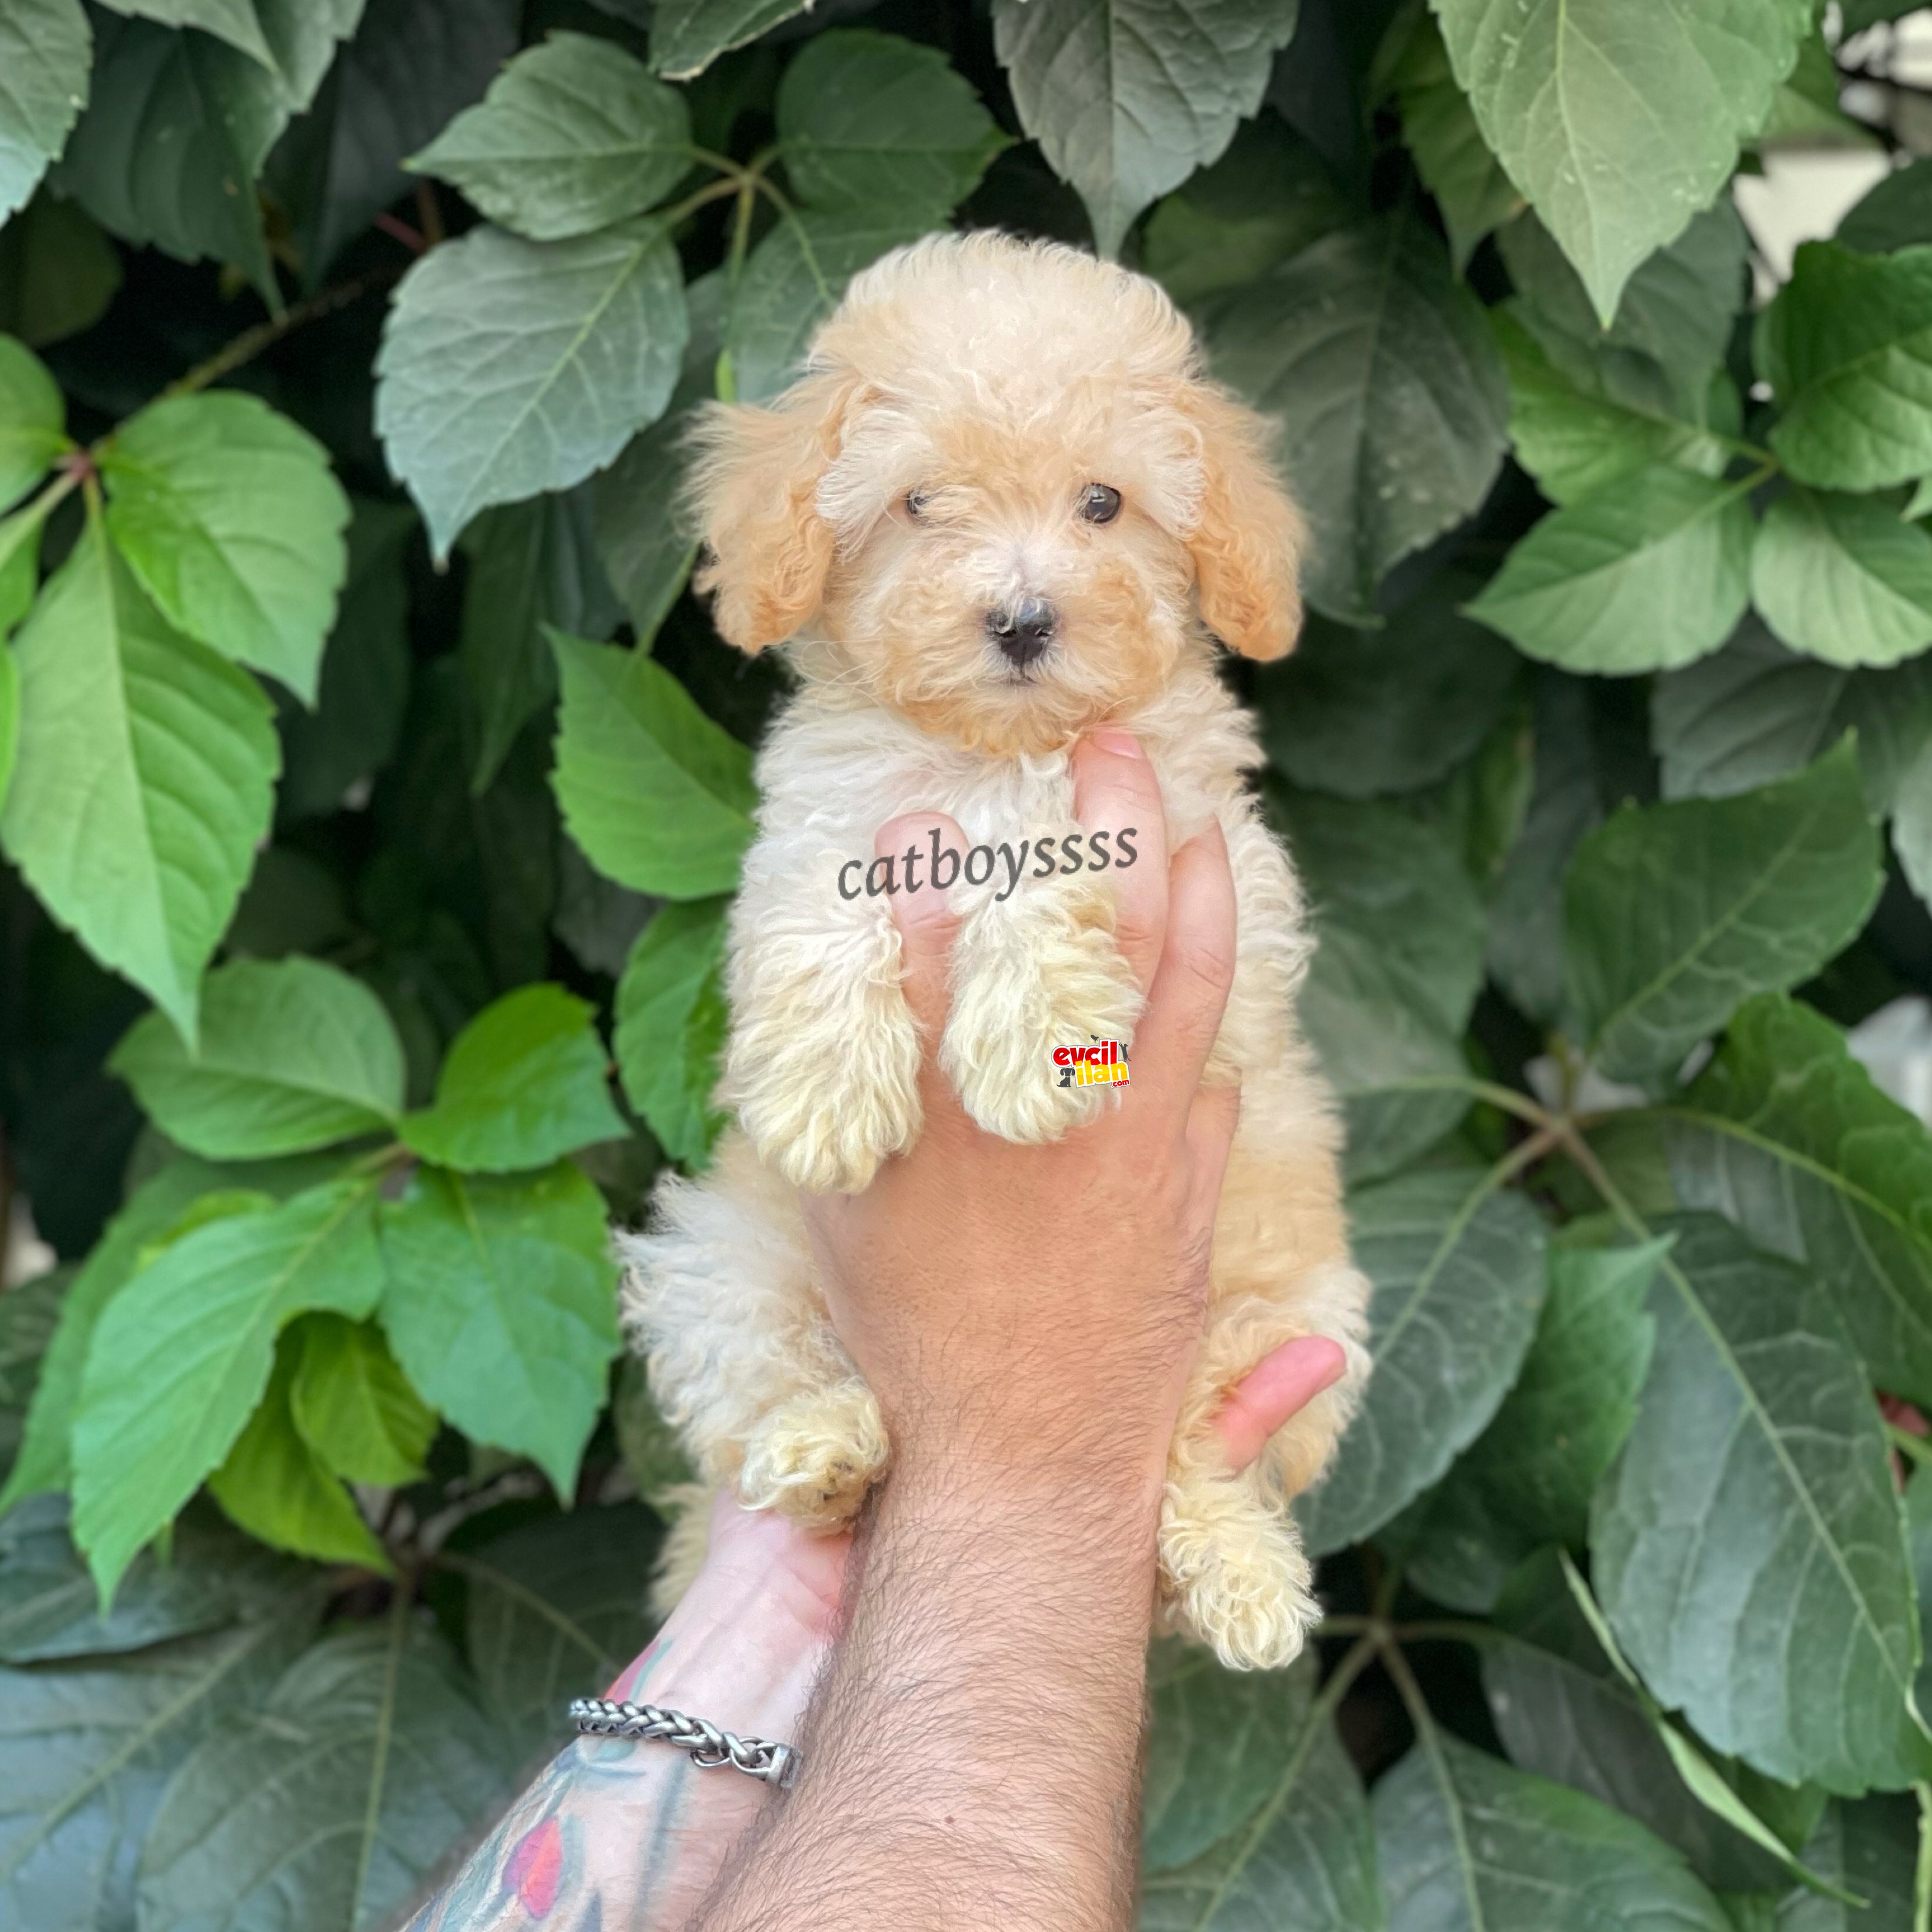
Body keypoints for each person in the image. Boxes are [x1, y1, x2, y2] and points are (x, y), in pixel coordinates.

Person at [401, 731, 1347, 1931]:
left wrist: (1077, 1055)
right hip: (890, 1331)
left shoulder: (1178, 773)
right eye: (921, 522)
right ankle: (846, 1431)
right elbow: (801, 1067)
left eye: (1103, 521)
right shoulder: (840, 776)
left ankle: (1186, 1504)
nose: (1021, 594)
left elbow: (1189, 1058)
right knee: (730, 1267)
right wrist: (1024, 1464)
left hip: (1096, 1262)